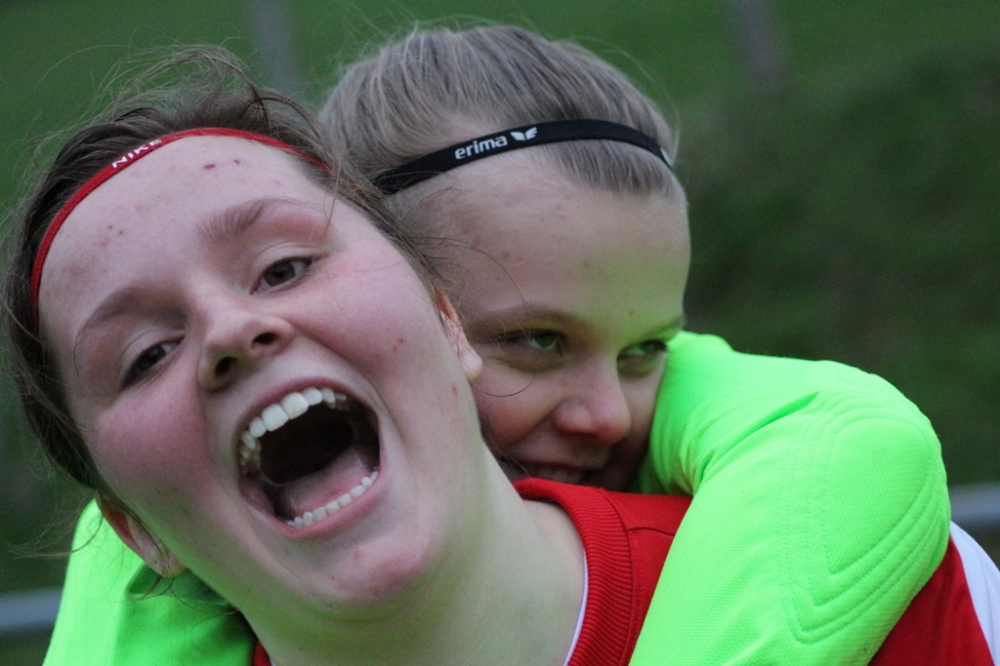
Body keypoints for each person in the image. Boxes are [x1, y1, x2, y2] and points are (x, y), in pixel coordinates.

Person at [35, 28, 996, 664]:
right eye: (536, 342)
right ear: (432, 308)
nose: (606, 418)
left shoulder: (874, 555)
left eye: (648, 351)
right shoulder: (145, 545)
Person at [7, 56, 693, 666]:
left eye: (284, 268)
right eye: (148, 356)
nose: (230, 330)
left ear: (447, 319)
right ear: (139, 533)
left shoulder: (753, 569)